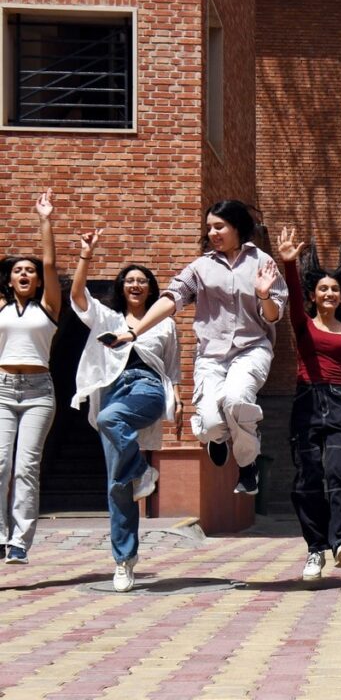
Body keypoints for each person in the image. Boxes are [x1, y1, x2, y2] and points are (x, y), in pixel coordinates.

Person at [105, 199, 287, 496]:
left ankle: (247, 464)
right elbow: (171, 298)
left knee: (236, 399)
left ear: (237, 227)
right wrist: (134, 331)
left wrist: (264, 295)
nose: (213, 233)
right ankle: (217, 438)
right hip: (211, 354)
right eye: (209, 228)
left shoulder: (262, 262)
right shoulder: (201, 267)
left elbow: (273, 315)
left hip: (252, 348)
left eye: (219, 227)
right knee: (211, 423)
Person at [70, 229, 182, 591]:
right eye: (130, 280)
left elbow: (172, 365)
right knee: (118, 485)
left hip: (147, 388)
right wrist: (86, 255)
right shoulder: (107, 318)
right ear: (122, 287)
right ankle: (124, 561)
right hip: (113, 390)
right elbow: (78, 297)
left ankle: (141, 469)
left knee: (109, 419)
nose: (136, 284)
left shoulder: (164, 322)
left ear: (150, 288)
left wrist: (178, 396)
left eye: (142, 280)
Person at [277, 228, 341, 580]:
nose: (329, 293)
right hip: (307, 401)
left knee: (338, 472)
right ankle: (315, 548)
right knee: (307, 479)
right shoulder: (303, 325)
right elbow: (292, 297)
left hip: (338, 404)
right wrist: (288, 264)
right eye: (323, 288)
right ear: (313, 295)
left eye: (334, 289)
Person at [0, 190, 60, 565]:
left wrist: (44, 220)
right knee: (0, 465)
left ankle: (19, 542)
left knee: (25, 468)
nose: (25, 274)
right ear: (9, 280)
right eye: (18, 270)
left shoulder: (48, 307)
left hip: (39, 393)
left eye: (30, 271)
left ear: (37, 281)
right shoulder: (2, 307)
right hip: (2, 390)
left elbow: (51, 263)